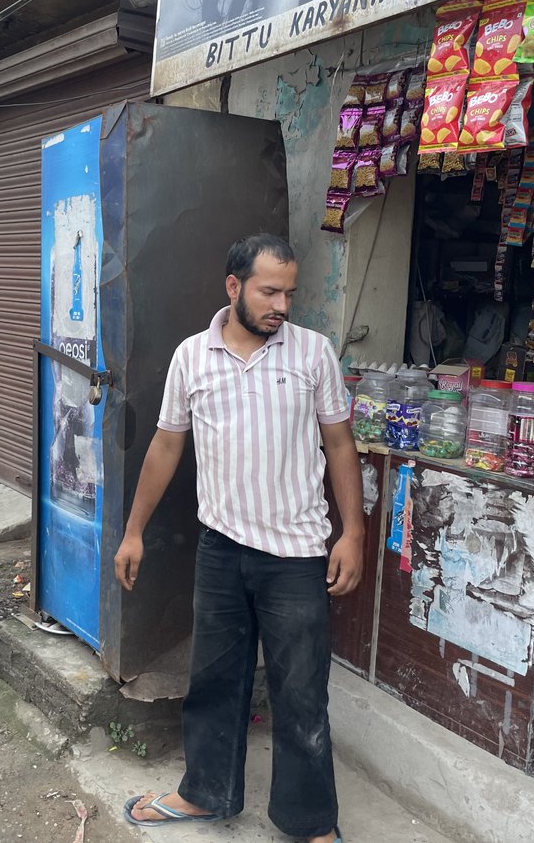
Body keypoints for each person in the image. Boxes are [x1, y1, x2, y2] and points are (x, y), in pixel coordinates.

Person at [113, 234, 364, 843]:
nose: (282, 304)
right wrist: (133, 532)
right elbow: (167, 444)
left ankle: (309, 824)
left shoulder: (313, 354)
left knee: (300, 695)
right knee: (215, 681)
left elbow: (338, 444)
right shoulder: (191, 358)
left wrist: (352, 531)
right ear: (234, 287)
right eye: (269, 291)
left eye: (289, 293)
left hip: (296, 554)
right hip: (221, 549)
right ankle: (205, 793)